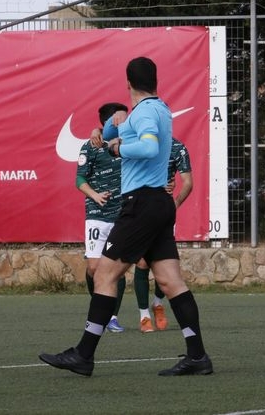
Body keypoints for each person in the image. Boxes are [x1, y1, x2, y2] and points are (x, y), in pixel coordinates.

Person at [39, 56, 213, 377]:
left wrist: (119, 149)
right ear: (154, 81)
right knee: (170, 281)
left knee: (104, 276)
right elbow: (108, 137)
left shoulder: (144, 112)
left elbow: (146, 147)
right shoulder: (156, 109)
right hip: (158, 202)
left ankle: (84, 354)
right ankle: (198, 355)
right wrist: (109, 125)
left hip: (142, 203)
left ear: (128, 83)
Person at [77, 102, 129, 334]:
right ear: (110, 123)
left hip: (123, 213)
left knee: (116, 268)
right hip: (97, 214)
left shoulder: (130, 144)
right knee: (93, 267)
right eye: (121, 119)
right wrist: (95, 195)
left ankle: (112, 316)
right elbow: (79, 180)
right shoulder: (91, 146)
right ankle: (98, 305)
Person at [134, 137, 193, 333]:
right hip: (141, 209)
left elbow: (188, 182)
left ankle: (157, 303)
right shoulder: (137, 143)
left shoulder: (177, 147)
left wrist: (173, 205)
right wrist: (96, 131)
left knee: (165, 264)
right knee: (142, 262)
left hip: (163, 211)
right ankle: (143, 315)